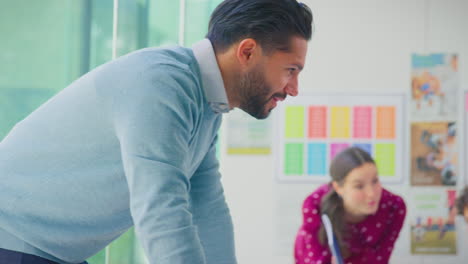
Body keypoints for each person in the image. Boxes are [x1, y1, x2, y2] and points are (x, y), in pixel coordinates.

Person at [0, 1, 314, 263]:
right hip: (16, 238)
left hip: (52, 248)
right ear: (247, 52)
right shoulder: (161, 84)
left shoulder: (205, 105)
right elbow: (162, 210)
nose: (294, 89)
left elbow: (207, 209)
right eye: (291, 70)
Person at [294, 147, 406, 264]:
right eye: (359, 186)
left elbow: (381, 259)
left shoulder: (394, 207)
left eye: (375, 181)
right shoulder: (315, 206)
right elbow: (313, 258)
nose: (372, 194)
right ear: (338, 188)